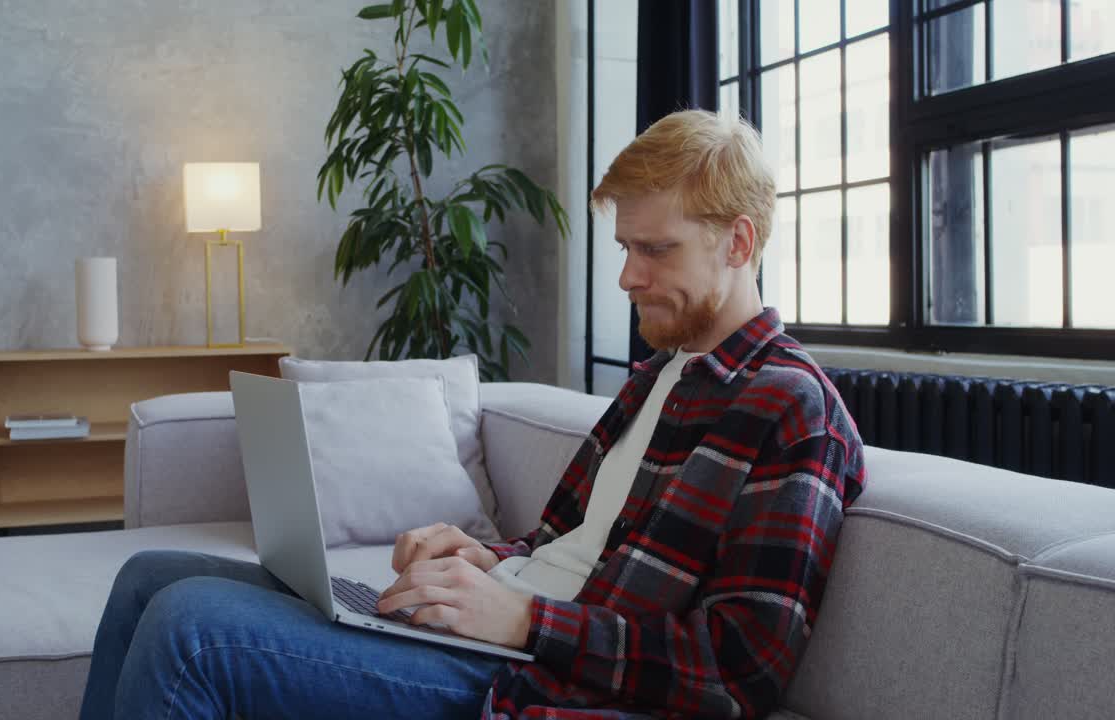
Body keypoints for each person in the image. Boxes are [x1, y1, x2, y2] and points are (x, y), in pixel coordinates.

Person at [77, 108, 866, 719]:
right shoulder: (661, 376)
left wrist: (524, 620)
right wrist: (489, 558)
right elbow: (576, 547)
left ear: (739, 243)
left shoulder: (793, 410)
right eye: (624, 247)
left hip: (540, 680)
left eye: (655, 250)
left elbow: (738, 673)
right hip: (510, 632)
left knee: (194, 629)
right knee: (151, 576)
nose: (626, 276)